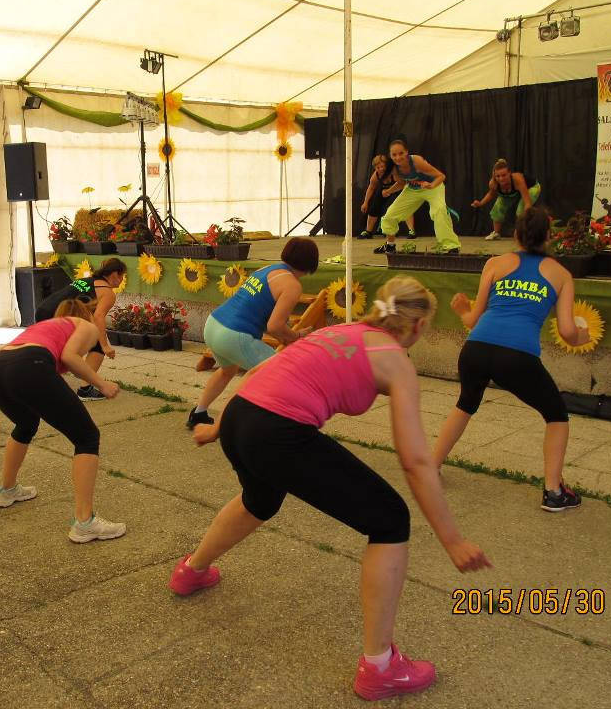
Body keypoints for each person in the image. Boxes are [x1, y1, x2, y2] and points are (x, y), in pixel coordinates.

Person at [170, 276, 490, 701]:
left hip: (243, 417)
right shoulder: (395, 360)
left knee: (259, 500)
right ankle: (380, 668)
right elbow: (415, 461)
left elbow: (263, 370)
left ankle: (191, 572)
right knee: (390, 520)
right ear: (417, 326)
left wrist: (219, 428)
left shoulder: (340, 331)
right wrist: (452, 539)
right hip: (277, 431)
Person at [432, 206, 590, 511]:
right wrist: (582, 336)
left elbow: (472, 321)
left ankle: (431, 465)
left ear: (516, 234)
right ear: (549, 236)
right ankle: (554, 491)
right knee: (556, 416)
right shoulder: (561, 275)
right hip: (517, 356)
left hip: (476, 349)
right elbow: (568, 332)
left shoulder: (495, 264)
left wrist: (463, 310)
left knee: (465, 404)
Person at [0, 298, 126, 543]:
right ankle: (85, 523)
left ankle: (7, 490)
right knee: (87, 437)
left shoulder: (44, 328)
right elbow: (70, 356)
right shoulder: (86, 325)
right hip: (31, 365)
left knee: (26, 424)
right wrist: (102, 384)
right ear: (86, 315)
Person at [186, 237, 319, 430]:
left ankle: (199, 413)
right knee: (280, 375)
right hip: (233, 335)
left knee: (227, 371)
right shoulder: (292, 285)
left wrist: (287, 333)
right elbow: (274, 326)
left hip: (213, 325)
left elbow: (262, 315)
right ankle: (239, 425)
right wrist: (296, 337)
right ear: (311, 263)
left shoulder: (266, 270)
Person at [34, 258, 127, 401]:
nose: (122, 280)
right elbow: (98, 317)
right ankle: (85, 389)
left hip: (42, 310)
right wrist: (104, 345)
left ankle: (38, 382)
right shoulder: (108, 293)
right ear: (114, 274)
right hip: (57, 316)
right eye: (122, 276)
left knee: (53, 351)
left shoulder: (87, 280)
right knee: (97, 348)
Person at [374, 140, 460, 255]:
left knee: (440, 211)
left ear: (407, 152)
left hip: (433, 187)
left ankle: (452, 247)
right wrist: (389, 191)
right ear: (390, 155)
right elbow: (401, 183)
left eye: (401, 153)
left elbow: (441, 176)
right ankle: (390, 246)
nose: (398, 157)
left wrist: (431, 185)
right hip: (412, 190)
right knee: (389, 216)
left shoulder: (416, 161)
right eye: (394, 155)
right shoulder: (394, 168)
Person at [471, 159, 541, 240]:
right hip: (514, 192)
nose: (501, 179)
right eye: (498, 176)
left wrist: (521, 225)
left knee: (521, 210)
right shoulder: (493, 183)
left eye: (504, 175)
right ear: (494, 176)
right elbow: (491, 194)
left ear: (509, 173)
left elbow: (527, 203)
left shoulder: (517, 179)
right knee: (497, 207)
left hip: (531, 188)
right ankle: (496, 233)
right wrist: (480, 203)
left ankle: (522, 234)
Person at [359, 155, 416, 240]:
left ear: (387, 166)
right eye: (378, 167)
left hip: (399, 187)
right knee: (374, 208)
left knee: (405, 207)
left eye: (382, 166)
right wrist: (365, 202)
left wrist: (389, 191)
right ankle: (368, 231)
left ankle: (411, 230)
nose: (381, 169)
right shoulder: (376, 176)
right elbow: (371, 188)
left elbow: (401, 184)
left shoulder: (394, 171)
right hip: (384, 189)